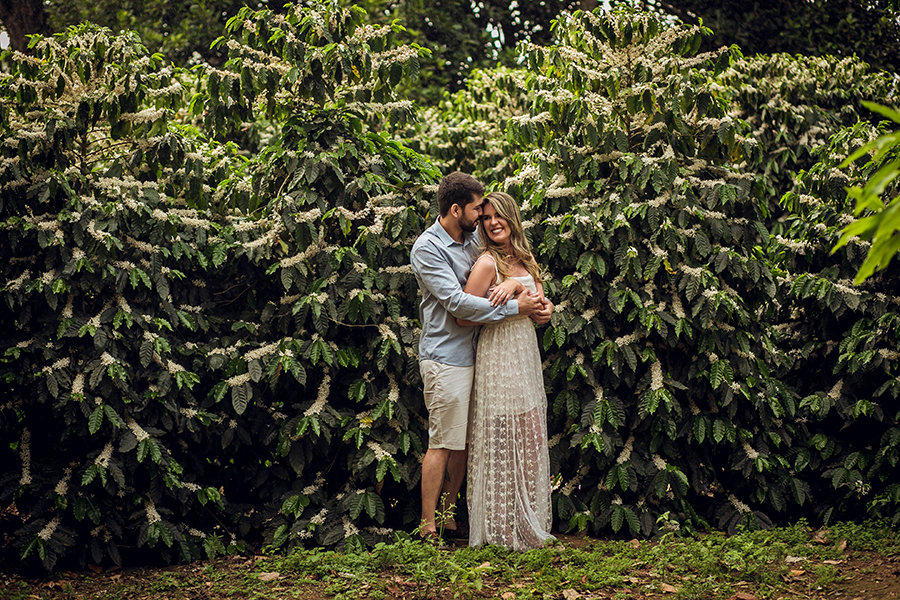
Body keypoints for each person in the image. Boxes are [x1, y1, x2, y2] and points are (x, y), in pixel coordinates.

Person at [410, 173, 551, 543]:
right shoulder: (427, 248)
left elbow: (509, 271)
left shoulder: (473, 238)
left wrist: (532, 299)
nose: (483, 219)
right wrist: (516, 307)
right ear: (456, 210)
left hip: (481, 354)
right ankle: (428, 526)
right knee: (443, 440)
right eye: (477, 210)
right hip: (447, 357)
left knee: (469, 442)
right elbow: (458, 306)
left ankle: (451, 517)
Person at [456, 191, 555, 550]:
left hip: (525, 352)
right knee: (500, 438)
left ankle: (528, 526)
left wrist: (546, 309)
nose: (493, 223)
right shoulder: (486, 263)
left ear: (513, 218)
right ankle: (499, 531)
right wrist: (512, 290)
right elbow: (464, 316)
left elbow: (538, 303)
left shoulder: (526, 259)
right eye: (485, 218)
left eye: (499, 216)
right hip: (498, 354)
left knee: (529, 434)